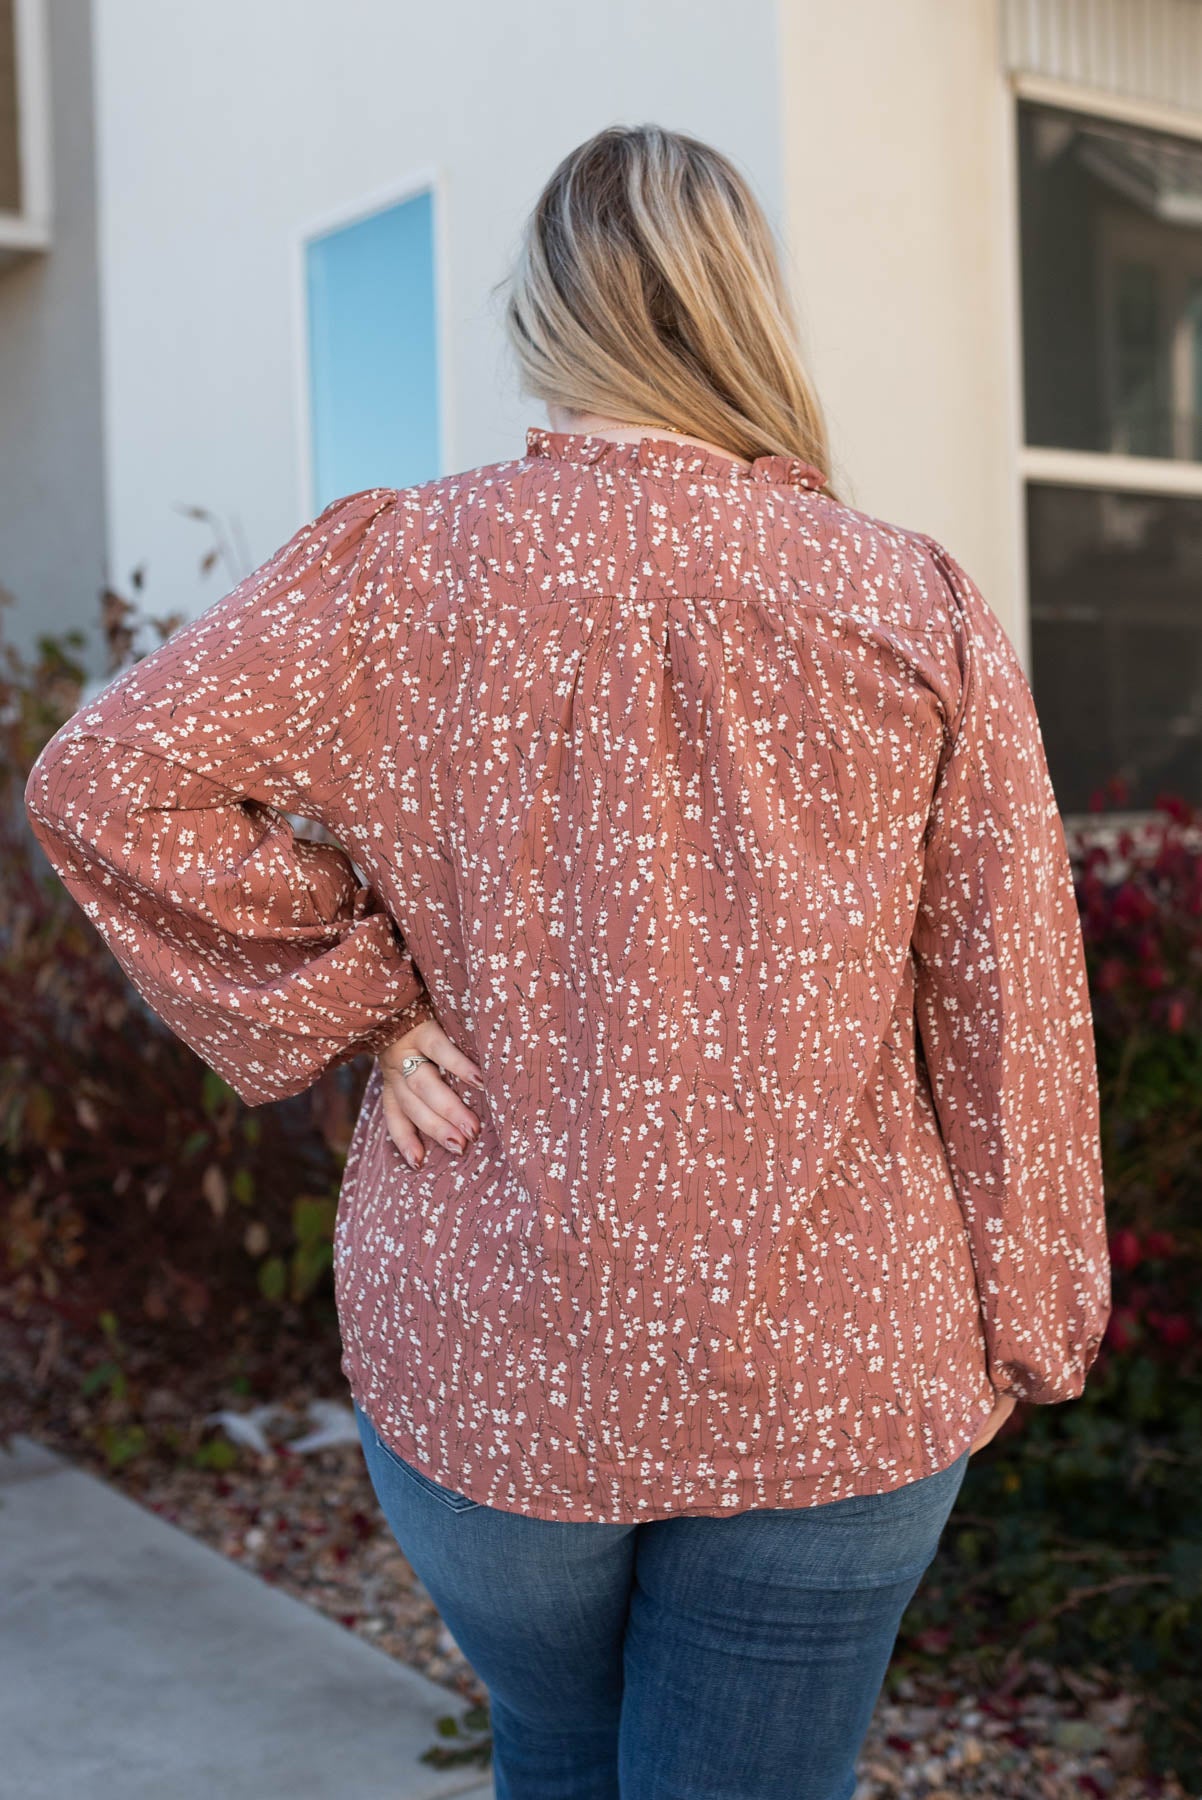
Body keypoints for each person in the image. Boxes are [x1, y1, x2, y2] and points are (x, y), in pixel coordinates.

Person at [24, 123, 1111, 1800]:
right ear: (746, 313)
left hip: (488, 1347)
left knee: (552, 1747)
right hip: (837, 1365)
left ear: (544, 316)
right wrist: (1037, 1319)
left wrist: (354, 998)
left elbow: (104, 781)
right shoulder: (907, 602)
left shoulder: (397, 572)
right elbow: (1005, 1008)